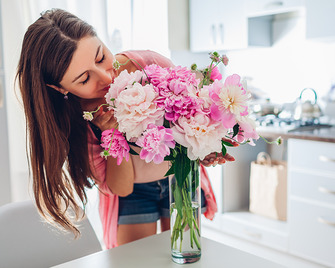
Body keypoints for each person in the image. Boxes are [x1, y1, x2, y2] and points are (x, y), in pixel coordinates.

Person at [16, 8, 235, 249]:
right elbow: (122, 187)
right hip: (133, 194)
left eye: (100, 57)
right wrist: (114, 133)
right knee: (138, 260)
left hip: (178, 177)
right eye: (84, 79)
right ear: (60, 88)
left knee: (186, 253)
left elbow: (193, 116)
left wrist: (205, 147)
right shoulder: (78, 121)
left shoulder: (148, 64)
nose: (106, 78)